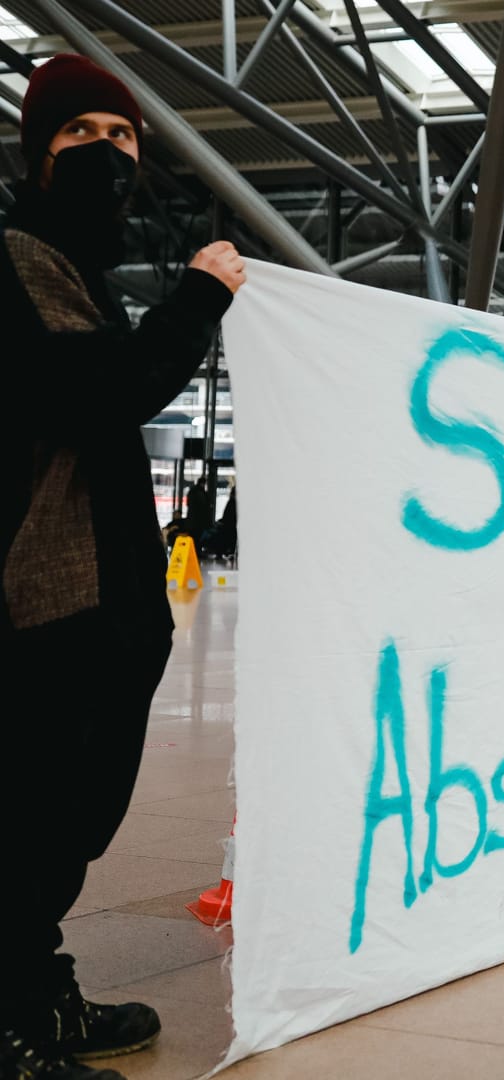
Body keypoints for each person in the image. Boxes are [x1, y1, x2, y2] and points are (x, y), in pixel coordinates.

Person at [1, 54, 246, 1080]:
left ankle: (35, 995)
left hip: (97, 598)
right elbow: (99, 391)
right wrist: (196, 300)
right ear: (38, 154)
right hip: (46, 596)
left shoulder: (76, 269)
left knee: (64, 817)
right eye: (79, 135)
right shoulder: (18, 255)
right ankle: (14, 1029)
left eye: (123, 135)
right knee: (34, 816)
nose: (107, 152)